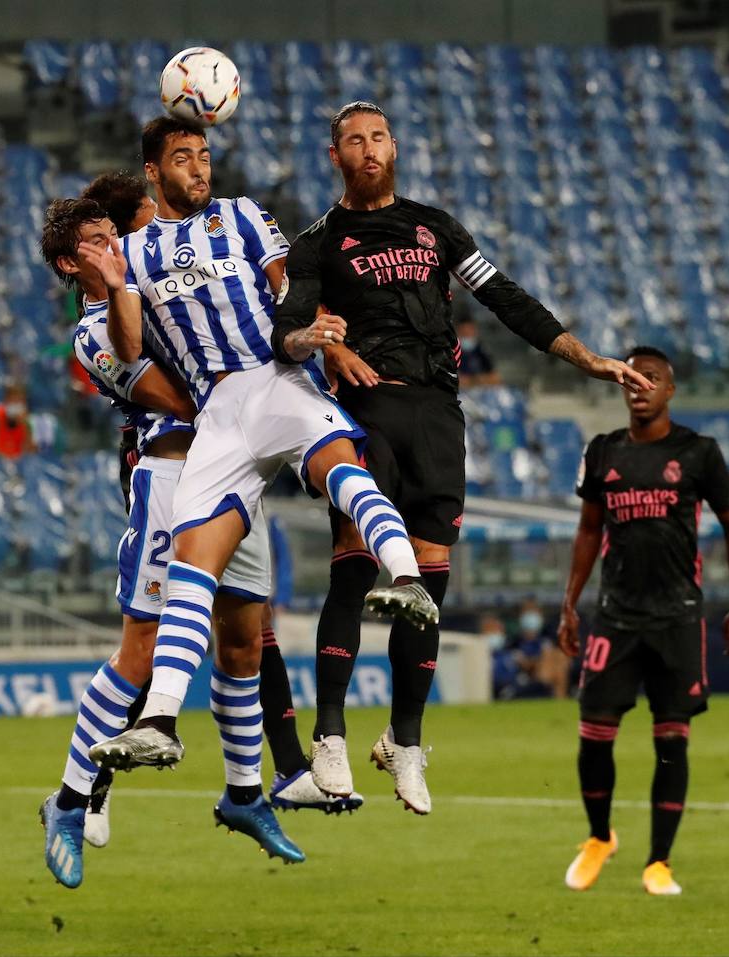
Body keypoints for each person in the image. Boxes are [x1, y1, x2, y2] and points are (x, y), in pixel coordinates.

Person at [269, 101, 653, 814]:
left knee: (429, 587)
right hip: (365, 409)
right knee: (354, 565)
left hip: (438, 412)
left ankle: (405, 742)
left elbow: (504, 297)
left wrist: (586, 357)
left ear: (394, 145)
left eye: (379, 135)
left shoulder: (435, 227)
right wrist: (325, 341)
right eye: (354, 140)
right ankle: (329, 732)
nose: (369, 148)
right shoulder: (318, 243)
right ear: (336, 157)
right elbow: (285, 332)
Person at [81, 117, 443, 789]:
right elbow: (128, 348)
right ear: (155, 174)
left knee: (343, 471)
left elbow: (287, 286)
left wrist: (311, 335)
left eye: (205, 155)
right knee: (192, 560)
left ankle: (407, 579)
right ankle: (159, 720)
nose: (200, 167)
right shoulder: (133, 252)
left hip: (272, 377)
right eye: (184, 158)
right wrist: (113, 278)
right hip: (216, 412)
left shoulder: (245, 217)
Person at [36, 199, 355, 886]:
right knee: (140, 650)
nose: (111, 246)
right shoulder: (97, 330)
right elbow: (182, 402)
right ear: (70, 263)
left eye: (110, 235)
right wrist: (240, 371)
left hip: (235, 477)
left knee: (243, 640)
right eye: (93, 243)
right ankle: (67, 800)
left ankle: (243, 793)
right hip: (175, 477)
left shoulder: (148, 289)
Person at [558, 345, 729, 896]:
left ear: (670, 390)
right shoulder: (602, 452)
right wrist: (570, 603)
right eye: (632, 379)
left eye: (653, 378)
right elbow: (588, 530)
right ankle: (599, 838)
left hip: (677, 617)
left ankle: (659, 862)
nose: (640, 386)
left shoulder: (698, 452)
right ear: (621, 387)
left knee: (672, 739)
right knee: (593, 733)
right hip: (615, 615)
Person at [79, 171, 159, 513]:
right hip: (155, 449)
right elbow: (176, 402)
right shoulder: (103, 316)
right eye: (150, 207)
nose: (159, 212)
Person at [456, 316, 500, 386]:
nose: (467, 335)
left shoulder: (482, 351)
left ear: (475, 331)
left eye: (469, 332)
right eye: (464, 333)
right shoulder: (452, 354)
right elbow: (457, 382)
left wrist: (472, 380)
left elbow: (495, 379)